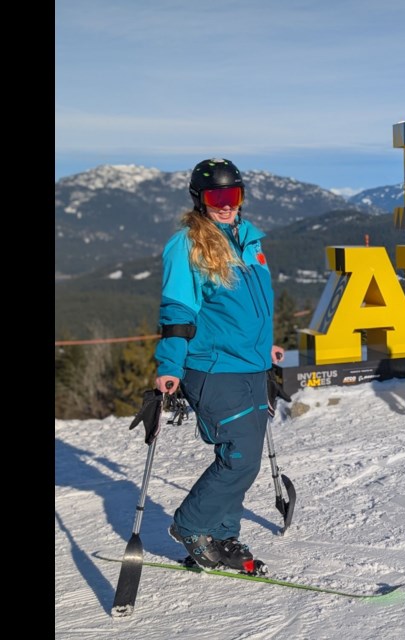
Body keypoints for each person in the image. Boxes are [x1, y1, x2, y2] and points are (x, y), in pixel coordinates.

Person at [154, 158, 285, 571]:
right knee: (240, 456)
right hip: (213, 367)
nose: (226, 205)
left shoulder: (248, 239)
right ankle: (192, 525)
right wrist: (170, 366)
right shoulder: (187, 245)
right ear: (200, 200)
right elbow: (177, 310)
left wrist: (265, 347)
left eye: (233, 196)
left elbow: (251, 309)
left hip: (251, 365)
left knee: (242, 457)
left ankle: (222, 535)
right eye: (217, 197)